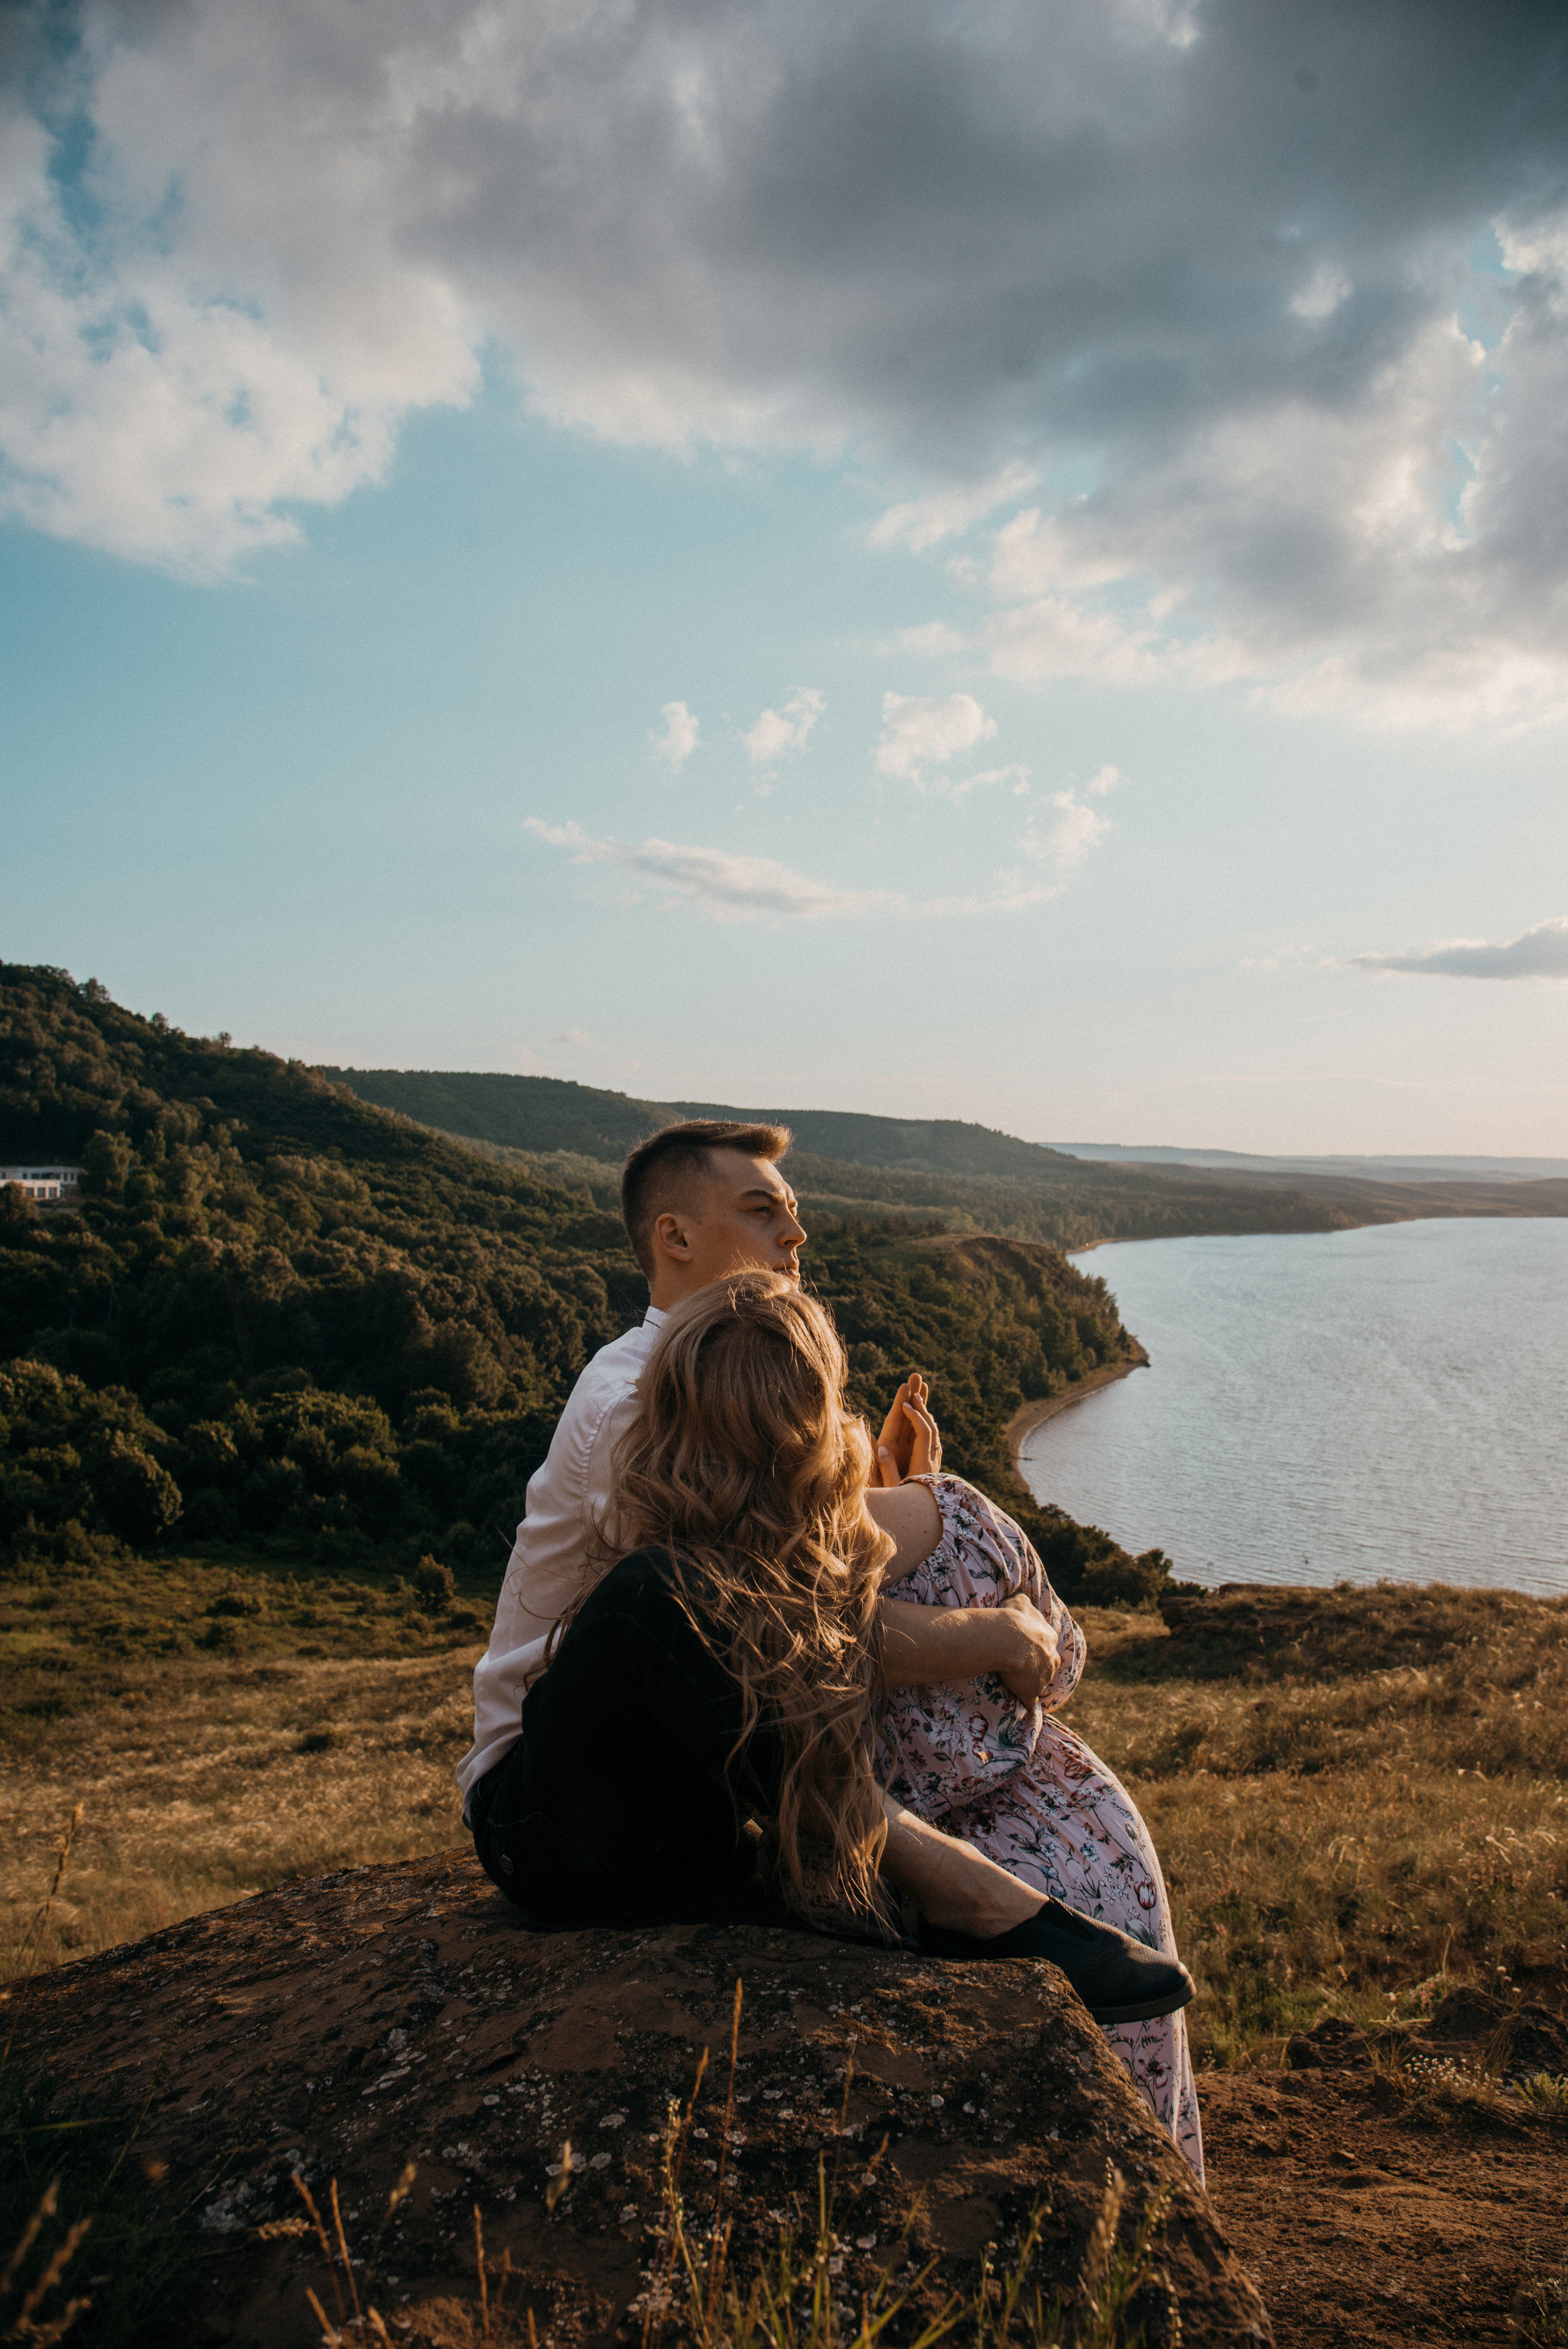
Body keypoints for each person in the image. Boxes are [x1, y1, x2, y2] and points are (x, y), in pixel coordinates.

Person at [470, 1274, 1193, 2048]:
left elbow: (828, 1628)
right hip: (547, 1836)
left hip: (686, 1860)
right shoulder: (647, 1528)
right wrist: (990, 1614)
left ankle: (899, 1876)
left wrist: (887, 1487)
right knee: (657, 1593)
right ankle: (957, 1890)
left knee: (715, 1604)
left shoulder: (787, 1533)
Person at [460, 1119, 1062, 1827]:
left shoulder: (743, 1382)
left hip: (680, 1762)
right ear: (675, 1238)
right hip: (558, 1787)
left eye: (793, 1212)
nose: (795, 1235)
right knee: (949, 1528)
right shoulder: (633, 1403)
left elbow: (796, 1574)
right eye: (761, 1210)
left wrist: (881, 1489)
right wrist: (1001, 1637)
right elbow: (778, 1629)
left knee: (932, 1525)